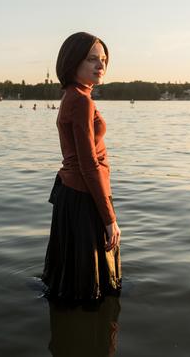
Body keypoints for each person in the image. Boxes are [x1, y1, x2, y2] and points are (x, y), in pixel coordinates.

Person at [42, 32, 121, 302]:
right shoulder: (81, 101)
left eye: (104, 59)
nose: (101, 65)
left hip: (74, 194)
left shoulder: (73, 95)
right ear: (73, 62)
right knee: (90, 285)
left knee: (71, 279)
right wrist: (109, 218)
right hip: (83, 194)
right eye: (92, 59)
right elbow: (88, 165)